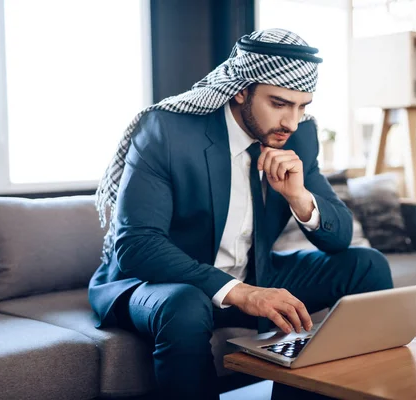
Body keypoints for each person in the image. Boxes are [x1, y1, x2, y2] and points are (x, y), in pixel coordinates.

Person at [89, 28, 393, 399]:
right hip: (157, 285)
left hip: (255, 272)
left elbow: (339, 235)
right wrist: (241, 293)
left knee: (367, 266)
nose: (292, 122)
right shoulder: (167, 131)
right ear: (241, 89)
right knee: (185, 304)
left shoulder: (299, 137)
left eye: (302, 107)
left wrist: (299, 197)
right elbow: (137, 246)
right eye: (279, 103)